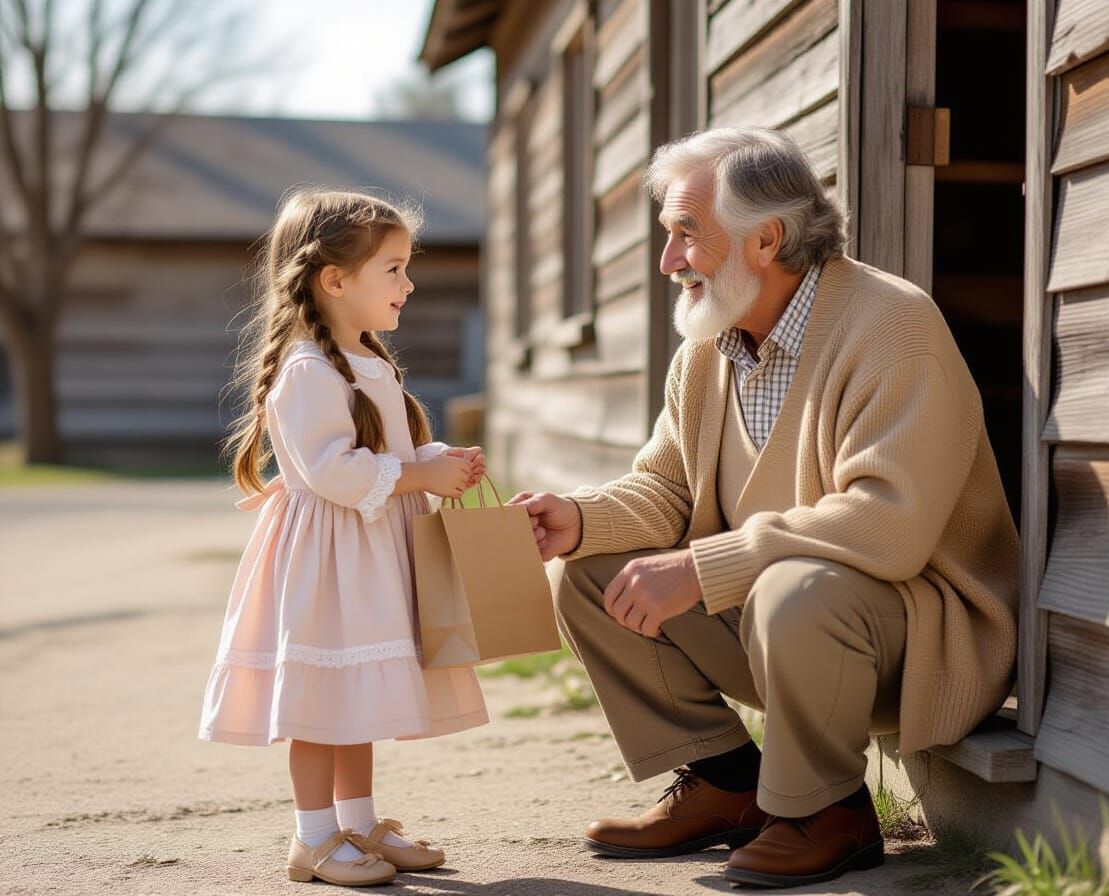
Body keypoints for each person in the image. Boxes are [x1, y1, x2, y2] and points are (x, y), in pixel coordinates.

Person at [511, 128, 1019, 888]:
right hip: (784, 622)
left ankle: (829, 813)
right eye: (667, 235)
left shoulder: (893, 326)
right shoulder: (709, 348)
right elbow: (669, 490)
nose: (668, 260)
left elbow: (889, 523)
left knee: (793, 586)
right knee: (589, 574)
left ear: (766, 239)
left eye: (687, 233)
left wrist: (706, 566)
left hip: (916, 632)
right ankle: (727, 782)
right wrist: (578, 521)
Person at [199, 188, 489, 887]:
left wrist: (433, 462)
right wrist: (418, 476)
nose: (408, 282)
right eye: (392, 268)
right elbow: (331, 469)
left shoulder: (366, 359)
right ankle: (313, 839)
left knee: (354, 691)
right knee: (320, 700)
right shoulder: (307, 369)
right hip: (329, 562)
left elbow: (375, 450)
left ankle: (356, 825)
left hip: (365, 553)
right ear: (334, 279)